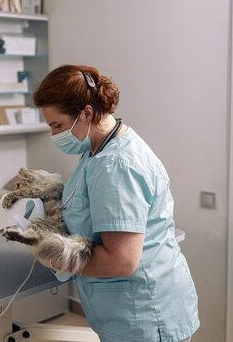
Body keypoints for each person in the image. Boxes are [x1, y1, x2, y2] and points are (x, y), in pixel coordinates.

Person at [33, 65, 199, 342]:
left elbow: (121, 261)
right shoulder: (98, 150)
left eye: (57, 125)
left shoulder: (116, 165)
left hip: (145, 315)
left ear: (86, 113)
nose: (54, 135)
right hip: (128, 312)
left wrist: (54, 257)